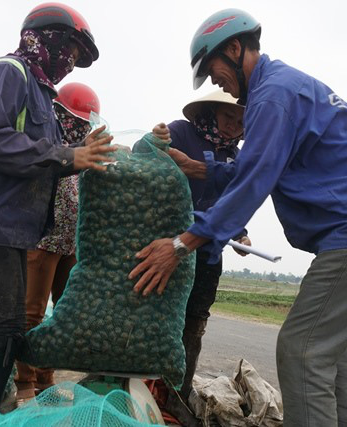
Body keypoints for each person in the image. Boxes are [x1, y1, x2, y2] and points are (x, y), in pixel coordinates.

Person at [130, 8, 347, 426]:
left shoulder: (273, 97)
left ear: (234, 49)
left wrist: (180, 244)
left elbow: (254, 182)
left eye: (214, 70)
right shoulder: (280, 87)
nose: (216, 83)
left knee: (301, 350)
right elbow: (262, 167)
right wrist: (199, 168)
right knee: (326, 356)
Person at [0, 3, 115, 408]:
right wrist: (68, 156)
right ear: (46, 39)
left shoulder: (41, 96)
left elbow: (46, 159)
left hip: (11, 231)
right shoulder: (5, 73)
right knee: (2, 333)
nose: (70, 63)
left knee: (8, 333)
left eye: (76, 57)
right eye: (69, 50)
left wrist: (86, 155)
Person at [151, 91, 250, 424]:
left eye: (240, 123)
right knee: (158, 313)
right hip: (170, 243)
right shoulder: (181, 132)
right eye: (228, 118)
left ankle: (177, 393)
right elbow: (152, 161)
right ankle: (142, 385)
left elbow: (233, 200)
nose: (233, 127)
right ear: (211, 112)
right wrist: (155, 141)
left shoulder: (235, 157)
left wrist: (240, 233)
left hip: (208, 251)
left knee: (194, 322)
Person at [14, 82, 100, 402]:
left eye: (83, 122)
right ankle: (24, 381)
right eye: (74, 119)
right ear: (60, 114)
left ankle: (46, 377)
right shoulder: (46, 142)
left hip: (70, 243)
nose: (78, 126)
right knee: (32, 314)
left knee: (63, 314)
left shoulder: (82, 150)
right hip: (43, 239)